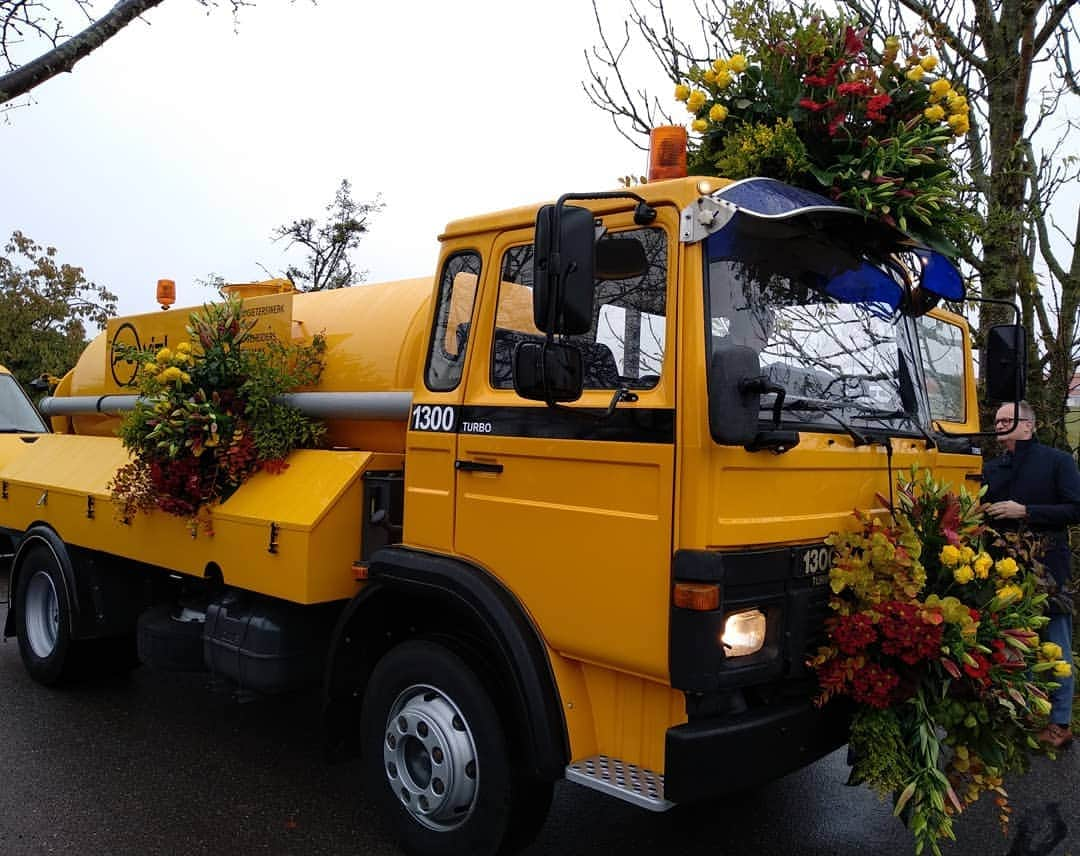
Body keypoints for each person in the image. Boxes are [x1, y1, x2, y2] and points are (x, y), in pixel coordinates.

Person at [983, 401, 1079, 749]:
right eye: (997, 421)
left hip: (1049, 568)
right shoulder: (992, 468)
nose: (1001, 427)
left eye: (1008, 420)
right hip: (1004, 571)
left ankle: (1059, 723)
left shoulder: (1058, 462)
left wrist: (1025, 511)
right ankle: (1020, 715)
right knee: (1012, 644)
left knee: (1057, 646)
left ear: (1029, 426)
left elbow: (1076, 508)